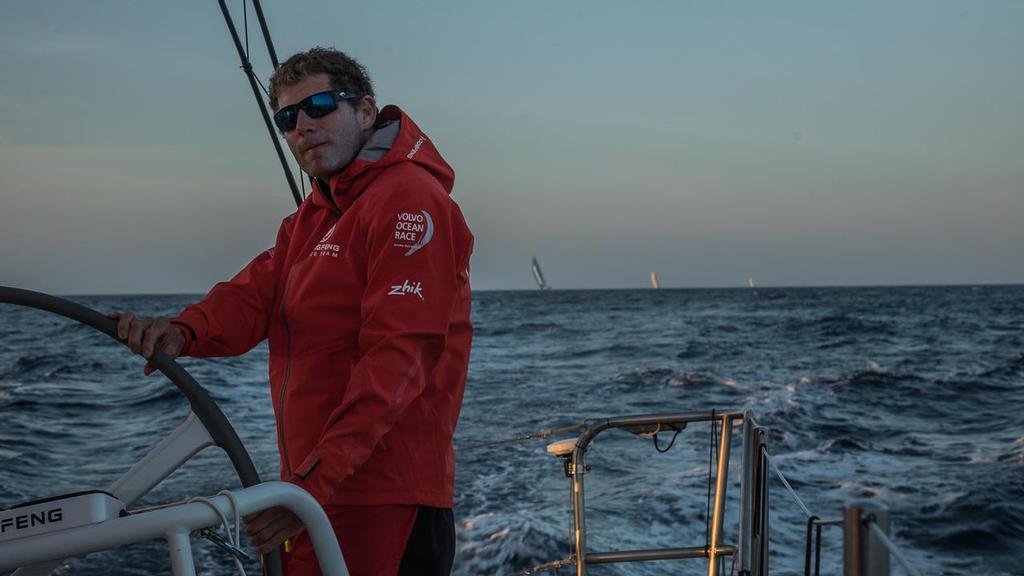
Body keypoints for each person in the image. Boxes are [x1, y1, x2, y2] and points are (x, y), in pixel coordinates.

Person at [110, 47, 473, 576]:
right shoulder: (312, 217)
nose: (302, 126)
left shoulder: (409, 200)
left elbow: (400, 358)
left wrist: (309, 488)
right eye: (286, 118)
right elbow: (256, 295)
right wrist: (181, 331)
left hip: (381, 497)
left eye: (320, 106)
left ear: (366, 112)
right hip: (312, 490)